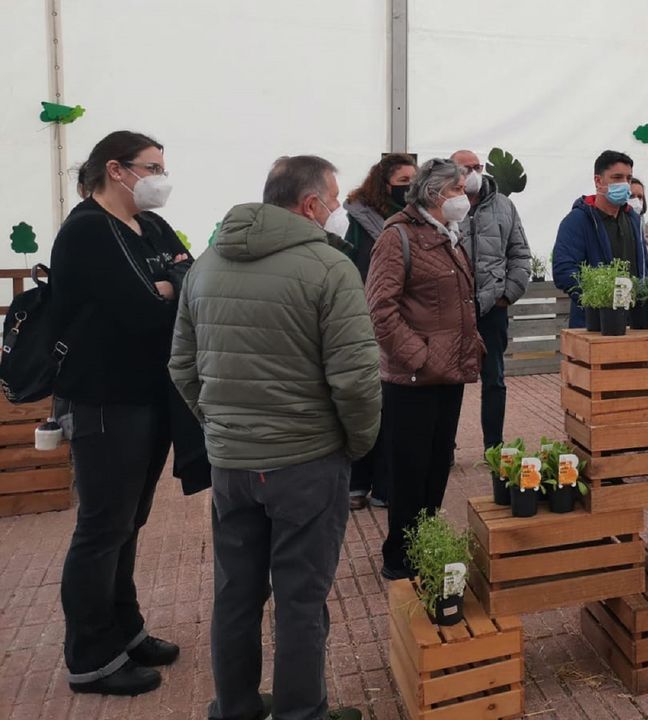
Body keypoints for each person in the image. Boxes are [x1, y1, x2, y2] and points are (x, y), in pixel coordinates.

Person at [171, 154, 381, 720]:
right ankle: (301, 712)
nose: (339, 211)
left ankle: (235, 708)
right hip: (307, 462)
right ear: (310, 205)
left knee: (235, 595)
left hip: (232, 465)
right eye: (334, 202)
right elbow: (357, 380)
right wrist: (357, 444)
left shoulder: (207, 263)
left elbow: (182, 366)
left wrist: (220, 426)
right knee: (301, 601)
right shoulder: (331, 267)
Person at [51, 130, 188, 696]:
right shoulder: (87, 230)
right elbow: (138, 311)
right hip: (105, 398)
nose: (161, 175)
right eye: (151, 165)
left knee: (130, 521)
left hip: (151, 393)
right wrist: (163, 292)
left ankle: (124, 628)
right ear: (116, 168)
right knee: (102, 526)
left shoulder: (150, 226)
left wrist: (168, 287)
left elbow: (191, 277)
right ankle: (90, 655)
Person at [367, 158, 483, 581]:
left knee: (436, 464)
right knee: (409, 469)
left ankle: (424, 540)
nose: (463, 198)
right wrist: (419, 357)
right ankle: (399, 555)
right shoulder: (398, 237)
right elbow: (380, 309)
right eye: (456, 190)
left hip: (447, 373)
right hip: (413, 379)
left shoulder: (447, 235)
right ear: (435, 195)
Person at [344, 153, 417, 510]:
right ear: (384, 183)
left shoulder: (414, 218)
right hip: (368, 321)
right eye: (403, 182)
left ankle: (385, 486)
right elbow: (354, 268)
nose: (410, 189)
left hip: (403, 323)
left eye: (413, 182)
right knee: (367, 404)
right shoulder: (361, 220)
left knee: (394, 408)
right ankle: (357, 483)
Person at [450, 149, 532, 452]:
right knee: (448, 381)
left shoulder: (503, 205)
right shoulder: (442, 207)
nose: (473, 172)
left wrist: (507, 294)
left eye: (477, 166)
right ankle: (444, 446)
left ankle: (493, 447)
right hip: (451, 312)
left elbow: (520, 254)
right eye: (465, 168)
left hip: (491, 308)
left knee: (494, 379)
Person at [552, 151, 648, 327]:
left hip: (635, 324)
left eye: (628, 178)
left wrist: (647, 295)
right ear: (598, 181)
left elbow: (645, 266)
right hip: (593, 326)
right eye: (617, 177)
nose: (625, 184)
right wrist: (599, 300)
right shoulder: (577, 221)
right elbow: (564, 270)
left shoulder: (633, 220)